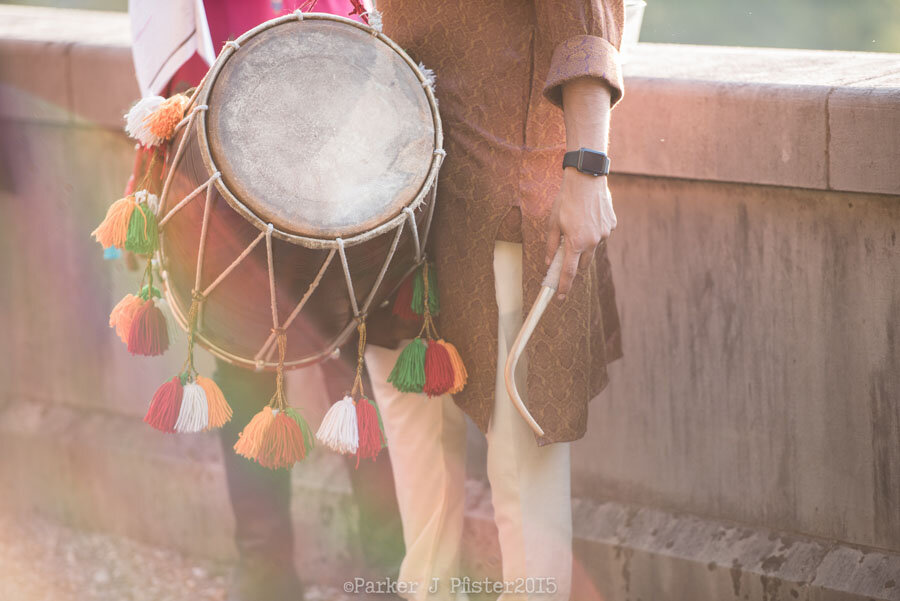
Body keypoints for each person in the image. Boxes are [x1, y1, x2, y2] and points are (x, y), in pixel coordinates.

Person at [126, 2, 404, 600]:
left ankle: (383, 577)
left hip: (330, 103)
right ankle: (265, 572)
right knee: (243, 356)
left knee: (354, 363)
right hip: (213, 122)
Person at [362, 2, 625, 600]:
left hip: (507, 203)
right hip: (397, 207)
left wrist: (588, 170)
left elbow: (585, 29)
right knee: (416, 443)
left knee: (519, 462)